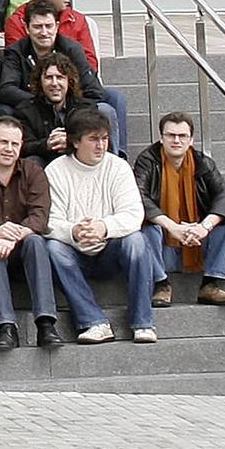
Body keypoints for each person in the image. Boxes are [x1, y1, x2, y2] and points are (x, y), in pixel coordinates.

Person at [43, 109, 159, 344]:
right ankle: (94, 322)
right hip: (74, 251)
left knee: (137, 240)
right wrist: (74, 231)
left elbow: (134, 214)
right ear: (75, 141)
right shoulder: (55, 170)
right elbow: (48, 221)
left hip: (111, 250)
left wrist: (103, 227)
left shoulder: (118, 167)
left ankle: (143, 323)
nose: (100, 146)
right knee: (53, 248)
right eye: (93, 139)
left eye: (104, 139)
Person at [0, 116, 57, 348]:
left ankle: (46, 324)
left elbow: (40, 215)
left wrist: (13, 236)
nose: (9, 149)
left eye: (14, 144)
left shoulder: (34, 172)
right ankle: (5, 326)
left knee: (36, 242)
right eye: (3, 142)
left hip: (25, 244)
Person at [135, 111, 225, 306]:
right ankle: (161, 284)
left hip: (197, 242)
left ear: (191, 139)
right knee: (145, 226)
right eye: (170, 135)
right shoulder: (147, 161)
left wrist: (204, 227)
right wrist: (172, 226)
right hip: (164, 247)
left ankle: (210, 284)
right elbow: (139, 198)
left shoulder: (202, 162)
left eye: (182, 136)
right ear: (161, 137)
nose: (176, 140)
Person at [0, 0, 122, 152]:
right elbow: (5, 89)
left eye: (49, 26)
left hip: (71, 108)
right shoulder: (16, 52)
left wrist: (66, 104)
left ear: (57, 26)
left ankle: (115, 160)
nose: (44, 32)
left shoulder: (71, 49)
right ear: (27, 28)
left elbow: (93, 90)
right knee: (4, 110)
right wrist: (41, 101)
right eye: (38, 27)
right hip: (33, 111)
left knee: (107, 107)